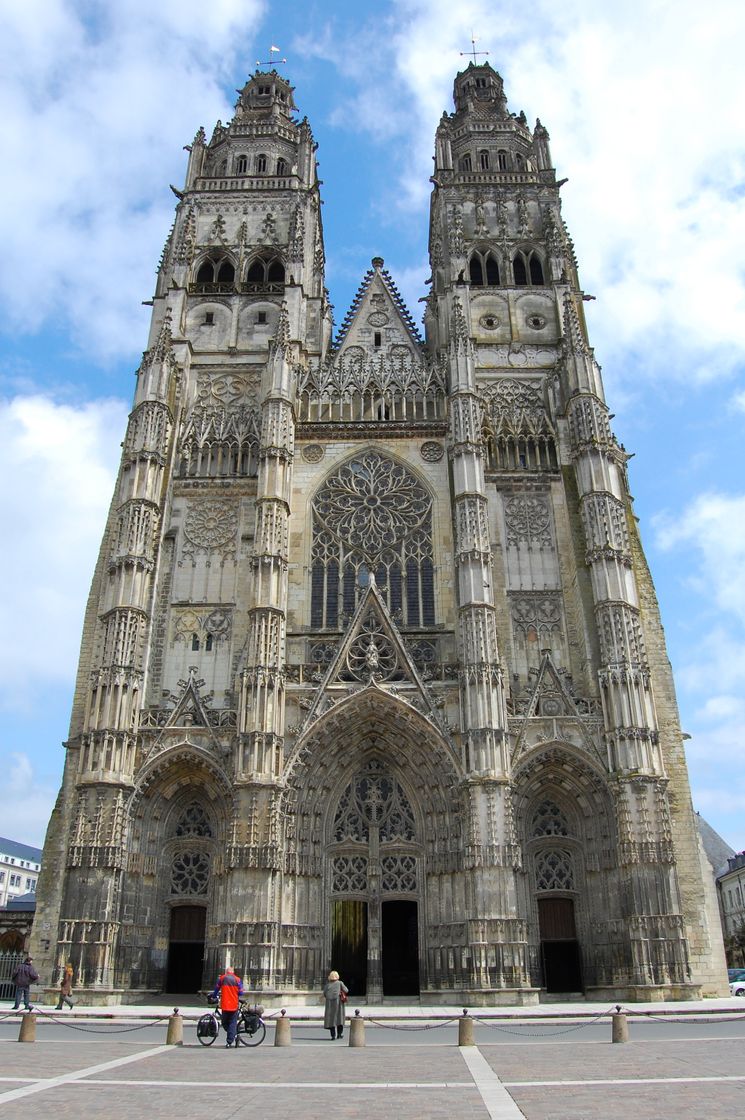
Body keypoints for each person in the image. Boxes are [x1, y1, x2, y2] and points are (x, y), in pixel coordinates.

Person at [210, 965, 243, 1048]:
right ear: (233, 972)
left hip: (225, 1005)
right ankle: (232, 1037)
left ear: (226, 972)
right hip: (234, 1004)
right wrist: (235, 993)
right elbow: (241, 992)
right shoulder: (237, 979)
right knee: (232, 1023)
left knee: (224, 1023)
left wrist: (213, 996)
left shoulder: (222, 978)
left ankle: (230, 1040)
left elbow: (216, 989)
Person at [322, 969, 348, 1040]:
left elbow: (324, 994)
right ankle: (339, 1034)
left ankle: (333, 1036)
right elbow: (346, 990)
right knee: (339, 1018)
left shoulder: (327, 985)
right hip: (338, 1003)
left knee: (331, 1020)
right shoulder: (340, 983)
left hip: (329, 1004)